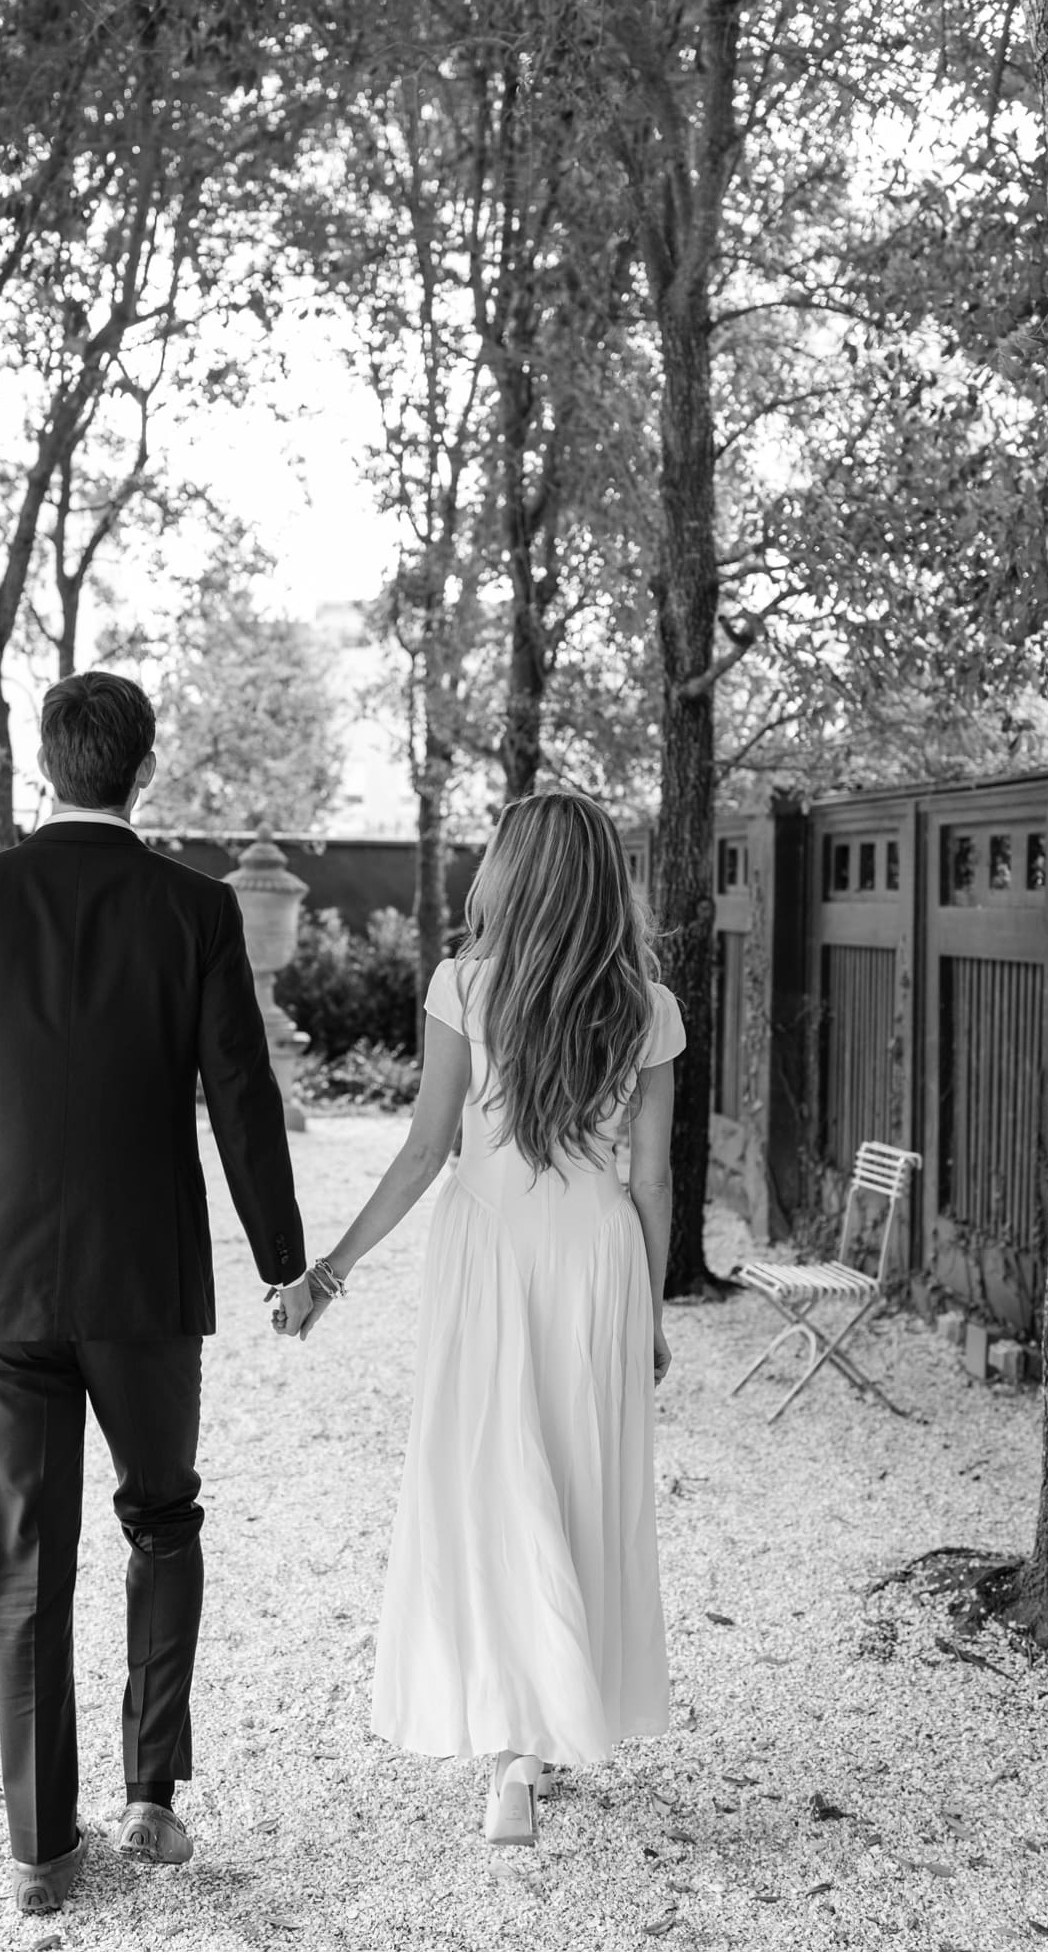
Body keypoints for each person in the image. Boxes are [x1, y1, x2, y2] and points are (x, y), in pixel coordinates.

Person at [0, 671, 315, 1915]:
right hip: (143, 1280)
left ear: (45, 773)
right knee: (163, 1518)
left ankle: (37, 1851)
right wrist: (282, 1261)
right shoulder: (193, 911)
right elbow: (242, 1097)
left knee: (24, 1557)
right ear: (143, 771)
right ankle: (151, 1790)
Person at [297, 789, 684, 1846]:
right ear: (606, 880)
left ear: (510, 874)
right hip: (596, 1255)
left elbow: (427, 1153)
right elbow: (650, 1184)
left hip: (488, 1250)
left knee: (493, 1479)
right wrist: (646, 1314)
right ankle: (536, 1734)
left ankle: (514, 1741)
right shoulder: (645, 1007)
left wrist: (329, 1273)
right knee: (574, 1476)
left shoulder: (462, 986)